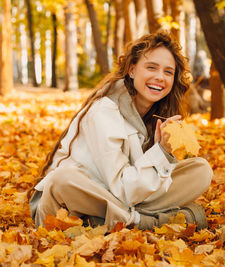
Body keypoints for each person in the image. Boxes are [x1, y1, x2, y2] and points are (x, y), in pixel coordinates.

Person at [29, 31, 213, 231]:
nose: (160, 77)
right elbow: (122, 189)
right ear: (132, 70)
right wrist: (160, 153)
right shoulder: (104, 111)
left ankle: (105, 221)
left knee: (201, 170)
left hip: (120, 198)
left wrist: (164, 153)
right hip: (70, 204)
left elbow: (137, 185)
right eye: (151, 67)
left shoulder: (155, 117)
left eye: (168, 72)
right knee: (61, 180)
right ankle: (142, 222)